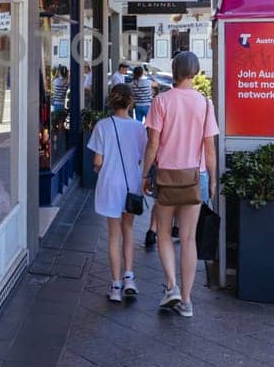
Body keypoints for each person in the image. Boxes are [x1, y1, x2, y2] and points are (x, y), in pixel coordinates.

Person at [141, 51, 218, 319]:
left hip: (165, 176)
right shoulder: (205, 104)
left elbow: (152, 144)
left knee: (163, 233)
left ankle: (171, 286)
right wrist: (213, 179)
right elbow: (209, 149)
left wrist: (144, 174)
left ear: (174, 71)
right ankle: (186, 301)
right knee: (187, 239)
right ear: (195, 72)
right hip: (195, 177)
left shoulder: (161, 101)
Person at [88, 84, 147, 305]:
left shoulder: (102, 126)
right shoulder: (138, 128)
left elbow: (97, 162)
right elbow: (142, 157)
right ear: (131, 102)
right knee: (128, 230)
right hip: (131, 184)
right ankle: (129, 277)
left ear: (111, 102)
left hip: (110, 184)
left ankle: (115, 284)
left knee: (113, 235)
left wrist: (97, 169)